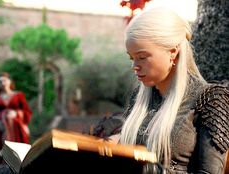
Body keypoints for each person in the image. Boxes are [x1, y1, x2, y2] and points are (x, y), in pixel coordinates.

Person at [91, 7, 229, 173]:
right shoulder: (138, 99)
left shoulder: (210, 98)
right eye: (131, 58)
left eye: (142, 57)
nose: (134, 66)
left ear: (172, 52)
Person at [0, 72, 32, 165]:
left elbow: (27, 111)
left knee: (18, 155)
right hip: (0, 127)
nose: (3, 83)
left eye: (5, 80)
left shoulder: (19, 95)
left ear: (10, 81)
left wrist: (17, 113)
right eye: (0, 82)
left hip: (16, 127)